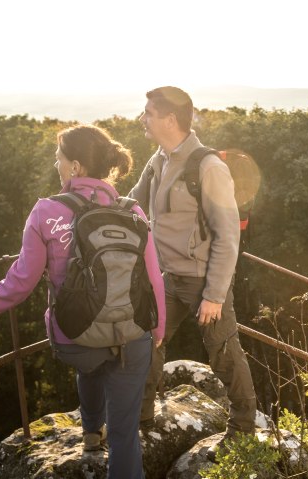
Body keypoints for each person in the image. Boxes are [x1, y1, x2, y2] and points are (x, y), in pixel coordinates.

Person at [0, 124, 166, 479]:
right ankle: (110, 442)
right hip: (133, 335)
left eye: (59, 159)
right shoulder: (133, 211)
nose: (57, 165)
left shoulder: (46, 212)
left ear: (76, 167)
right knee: (125, 434)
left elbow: (21, 282)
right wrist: (156, 330)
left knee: (93, 359)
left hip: (75, 339)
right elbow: (153, 277)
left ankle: (90, 430)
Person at [129, 86, 257, 457]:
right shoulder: (158, 160)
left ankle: (244, 427)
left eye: (149, 113)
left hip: (203, 279)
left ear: (170, 120)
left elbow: (228, 235)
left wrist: (215, 295)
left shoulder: (208, 167)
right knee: (146, 339)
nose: (143, 119)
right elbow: (133, 203)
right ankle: (140, 417)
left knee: (223, 352)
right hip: (166, 276)